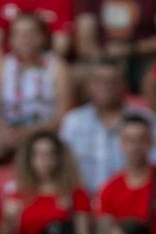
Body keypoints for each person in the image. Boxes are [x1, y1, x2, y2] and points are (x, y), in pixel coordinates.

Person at [0, 14, 72, 169]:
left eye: (30, 33)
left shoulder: (57, 66)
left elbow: (63, 113)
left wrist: (32, 132)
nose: (24, 39)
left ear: (43, 38)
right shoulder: (2, 67)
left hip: (45, 130)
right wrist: (4, 131)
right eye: (18, 34)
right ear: (11, 40)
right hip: (9, 130)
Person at [58, 60, 146, 195]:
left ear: (125, 85)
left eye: (113, 81)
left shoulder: (146, 120)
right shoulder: (73, 123)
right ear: (89, 86)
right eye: (99, 82)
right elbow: (62, 167)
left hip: (130, 204)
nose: (106, 87)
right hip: (84, 205)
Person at [0, 131, 90, 234]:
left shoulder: (75, 194)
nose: (44, 160)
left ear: (59, 158)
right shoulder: (18, 195)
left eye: (49, 154)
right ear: (29, 159)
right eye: (38, 154)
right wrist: (9, 222)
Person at [94, 113, 156, 234]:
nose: (135, 146)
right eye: (129, 140)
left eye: (141, 140)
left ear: (150, 142)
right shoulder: (109, 188)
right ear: (121, 143)